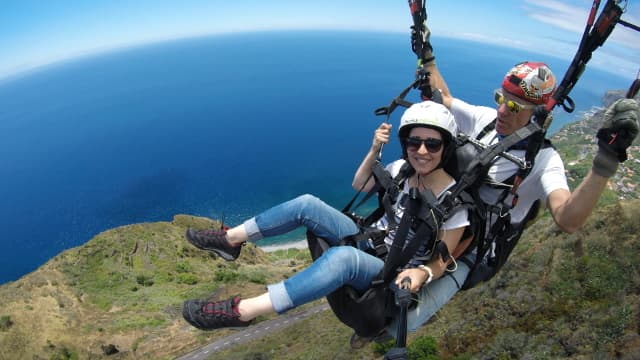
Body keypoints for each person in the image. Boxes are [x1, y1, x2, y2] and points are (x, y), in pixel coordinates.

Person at [180, 101, 473, 337]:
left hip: (392, 268)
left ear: (445, 146)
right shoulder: (401, 169)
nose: (421, 151)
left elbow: (444, 259)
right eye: (413, 142)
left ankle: (242, 312)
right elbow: (360, 184)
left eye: (432, 144)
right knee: (307, 204)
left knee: (342, 259)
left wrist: (422, 274)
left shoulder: (453, 203)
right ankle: (230, 240)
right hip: (371, 240)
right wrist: (374, 150)